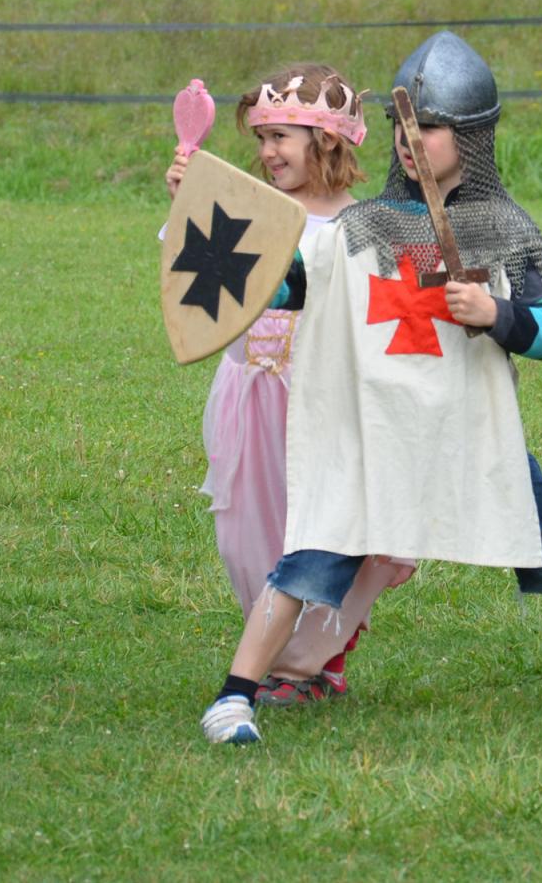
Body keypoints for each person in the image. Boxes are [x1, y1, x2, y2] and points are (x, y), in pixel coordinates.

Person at [200, 31, 542, 746]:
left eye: (433, 126)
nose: (412, 140)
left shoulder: (504, 228)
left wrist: (497, 314)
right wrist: (213, 218)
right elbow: (286, 285)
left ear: (472, 137)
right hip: (376, 427)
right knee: (313, 554)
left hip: (473, 426)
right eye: (401, 125)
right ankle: (235, 699)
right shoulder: (356, 228)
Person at [165, 64, 411, 715]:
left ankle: (312, 660)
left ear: (328, 141)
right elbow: (197, 276)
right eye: (262, 137)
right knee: (248, 534)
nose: (268, 152)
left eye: (283, 137)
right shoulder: (251, 210)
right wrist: (189, 205)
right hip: (250, 394)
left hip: (325, 399)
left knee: (329, 531)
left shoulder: (366, 225)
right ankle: (281, 651)